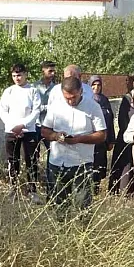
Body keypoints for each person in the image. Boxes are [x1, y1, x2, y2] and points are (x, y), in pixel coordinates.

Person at [41, 77, 106, 217]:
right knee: (60, 205)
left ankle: (84, 229)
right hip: (57, 163)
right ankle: (62, 229)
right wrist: (56, 136)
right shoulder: (56, 106)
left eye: (74, 97)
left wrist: (79, 139)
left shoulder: (93, 107)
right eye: (67, 98)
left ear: (81, 91)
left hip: (82, 163)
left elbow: (102, 135)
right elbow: (44, 131)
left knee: (83, 205)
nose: (71, 101)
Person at [0, 63, 42, 201]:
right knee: (12, 160)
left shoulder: (33, 91)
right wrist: (13, 126)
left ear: (25, 74)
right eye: (14, 76)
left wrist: (23, 125)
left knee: (31, 160)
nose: (17, 78)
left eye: (19, 75)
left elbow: (36, 111)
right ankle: (14, 189)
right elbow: (3, 112)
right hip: (11, 130)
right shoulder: (8, 92)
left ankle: (32, 190)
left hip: (28, 130)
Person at [110, 73, 134, 195]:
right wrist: (132, 135)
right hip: (126, 139)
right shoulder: (127, 99)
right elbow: (122, 120)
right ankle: (121, 193)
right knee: (125, 166)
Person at [88, 75, 115, 194]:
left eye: (99, 85)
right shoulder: (86, 100)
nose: (96, 87)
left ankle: (96, 191)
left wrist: (111, 140)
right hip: (90, 140)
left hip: (102, 141)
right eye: (93, 85)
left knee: (99, 168)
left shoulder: (104, 100)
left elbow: (110, 121)